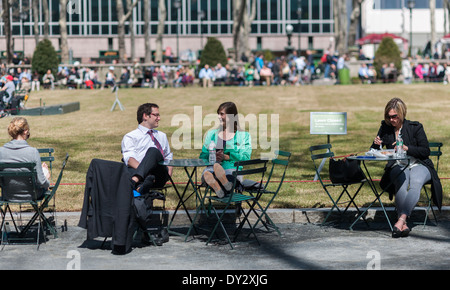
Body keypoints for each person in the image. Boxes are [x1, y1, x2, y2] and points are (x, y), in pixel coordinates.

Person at [371, 98, 442, 238]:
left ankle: (401, 219)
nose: (391, 120)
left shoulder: (415, 127)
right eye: (388, 116)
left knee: (415, 182)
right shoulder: (385, 128)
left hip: (419, 163)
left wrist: (406, 148)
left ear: (402, 114)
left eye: (394, 116)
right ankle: (402, 224)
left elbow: (425, 151)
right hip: (397, 164)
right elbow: (374, 151)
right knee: (401, 182)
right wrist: (376, 144)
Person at [199, 102, 252, 198]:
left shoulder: (243, 135)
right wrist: (212, 156)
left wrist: (228, 157)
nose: (219, 116)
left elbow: (246, 157)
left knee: (227, 175)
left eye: (222, 114)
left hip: (231, 169)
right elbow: (202, 156)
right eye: (218, 114)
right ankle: (224, 187)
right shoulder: (212, 134)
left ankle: (222, 188)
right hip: (212, 167)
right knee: (207, 174)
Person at [122, 103, 173, 195]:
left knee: (153, 151)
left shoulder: (162, 136)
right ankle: (141, 187)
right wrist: (146, 172)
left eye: (159, 115)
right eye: (156, 115)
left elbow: (168, 157)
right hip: (143, 176)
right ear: (145, 116)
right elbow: (129, 160)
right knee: (130, 169)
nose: (159, 118)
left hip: (158, 175)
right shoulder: (131, 136)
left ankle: (134, 181)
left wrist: (168, 175)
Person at [0, 117, 50, 200]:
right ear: (26, 131)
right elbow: (42, 182)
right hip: (32, 195)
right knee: (44, 172)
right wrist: (46, 176)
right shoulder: (33, 152)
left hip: (8, 195)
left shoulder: (1, 152)